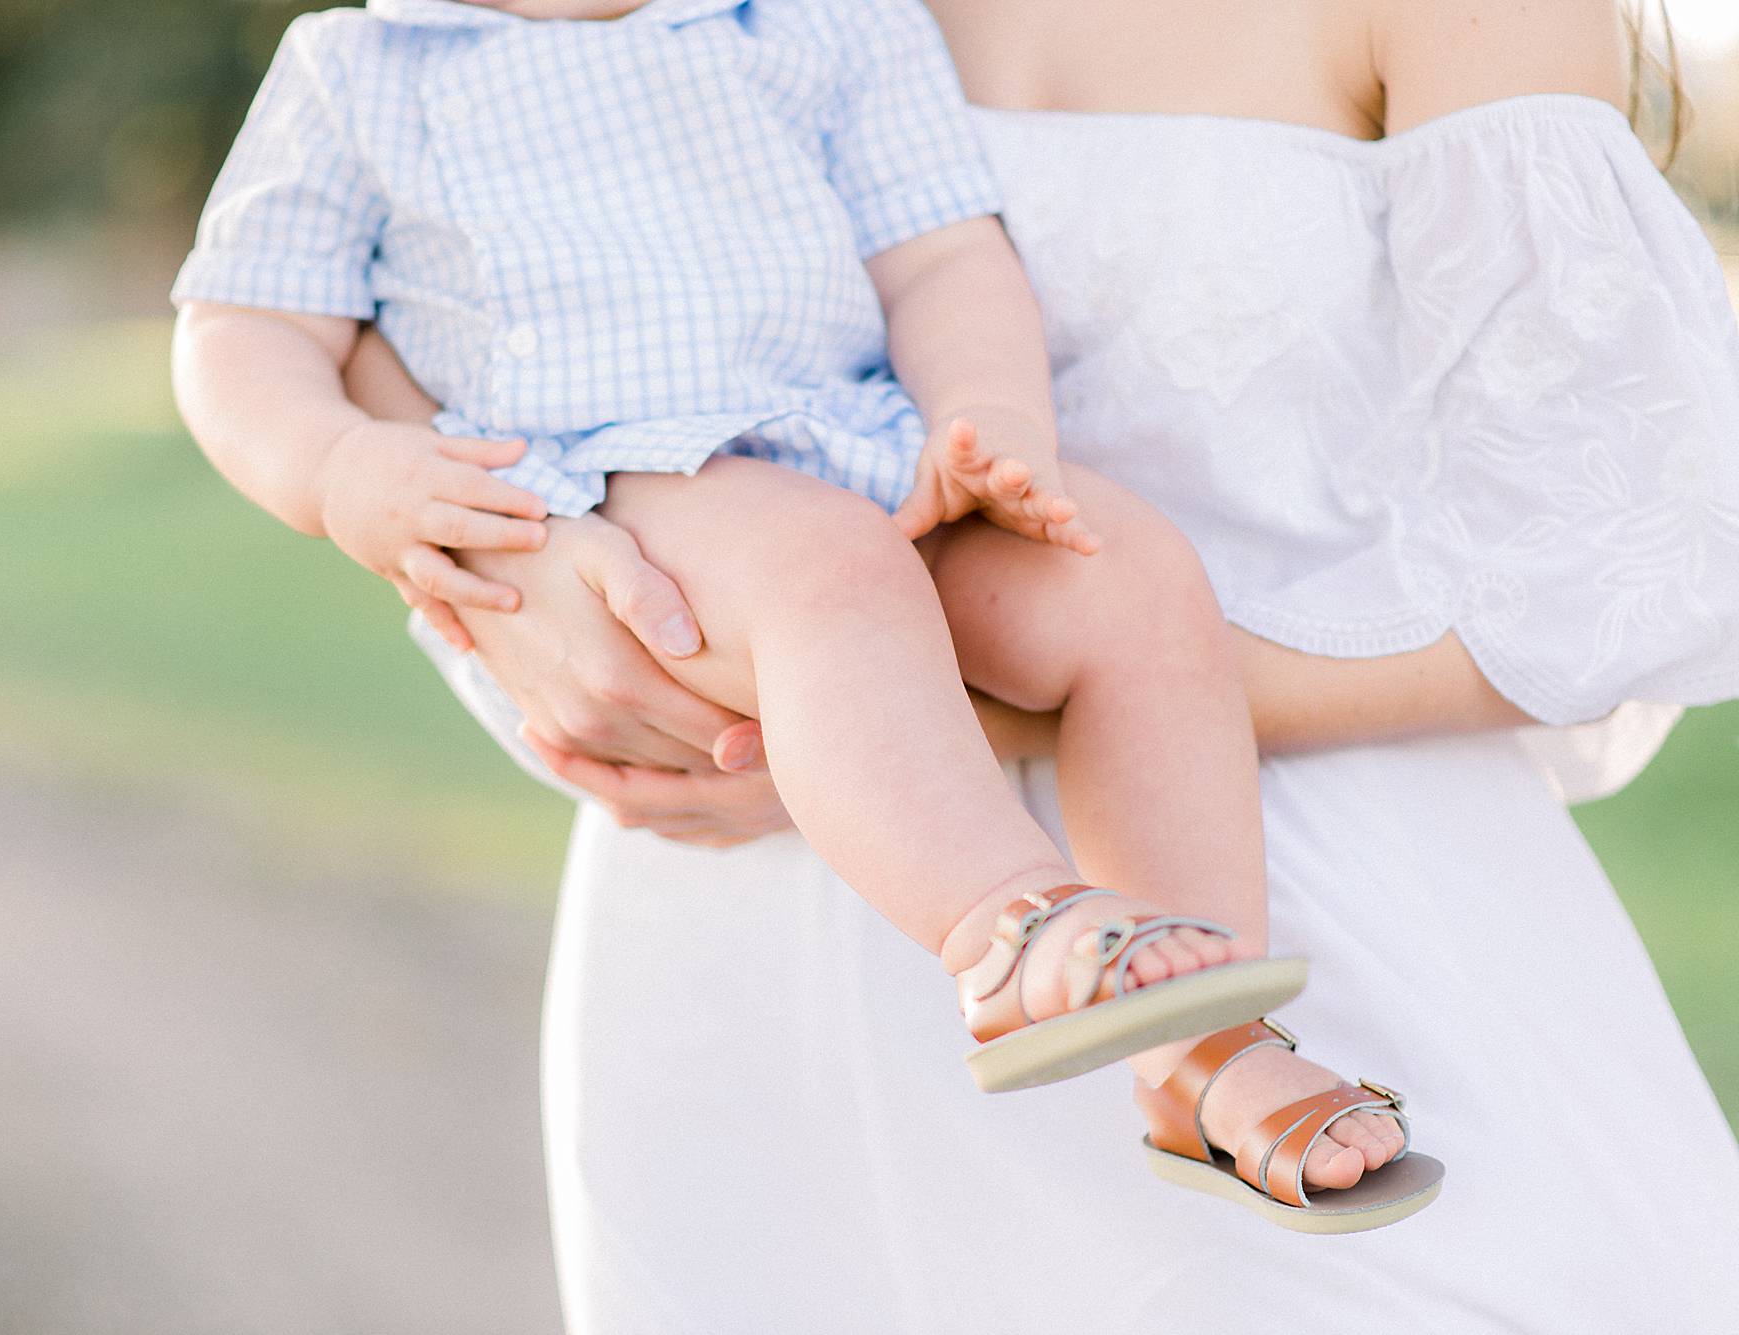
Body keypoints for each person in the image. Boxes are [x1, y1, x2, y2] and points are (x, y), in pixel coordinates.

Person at [199, 0, 1739, 1328]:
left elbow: (1614, 569)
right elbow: (319, 340)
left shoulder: (801, 30)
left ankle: (1207, 1049)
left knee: (1124, 581)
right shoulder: (375, 70)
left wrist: (904, 667)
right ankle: (1022, 933)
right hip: (750, 880)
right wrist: (483, 555)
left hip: (1239, 815)